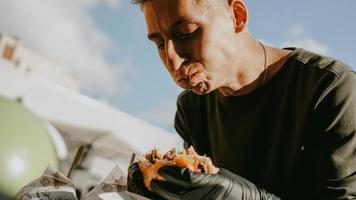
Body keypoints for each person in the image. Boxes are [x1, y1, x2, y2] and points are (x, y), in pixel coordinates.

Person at [132, 0, 356, 199]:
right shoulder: (191, 108)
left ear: (237, 16)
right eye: (159, 43)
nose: (173, 61)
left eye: (187, 32)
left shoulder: (331, 89)